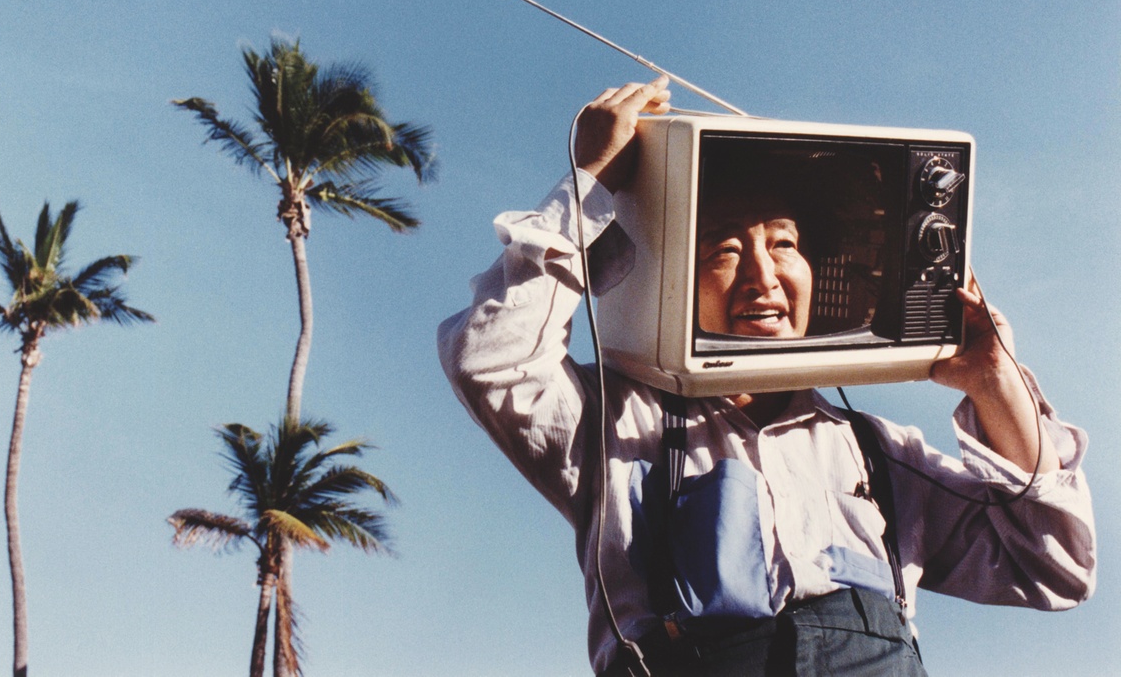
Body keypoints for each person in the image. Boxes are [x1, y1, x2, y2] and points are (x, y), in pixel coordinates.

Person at [437, 76, 1096, 676]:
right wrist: (588, 184)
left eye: (784, 243)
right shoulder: (609, 421)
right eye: (725, 248)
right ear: (669, 276)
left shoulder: (874, 452)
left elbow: (1054, 567)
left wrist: (994, 383)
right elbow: (492, 361)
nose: (765, 274)